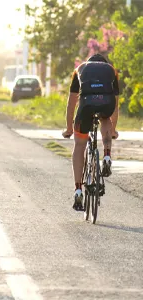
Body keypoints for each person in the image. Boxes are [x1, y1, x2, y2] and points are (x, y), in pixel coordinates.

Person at [62, 53, 120, 211]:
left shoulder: (80, 69)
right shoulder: (111, 70)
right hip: (106, 103)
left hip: (86, 105)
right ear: (104, 63)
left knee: (80, 145)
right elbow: (115, 104)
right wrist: (113, 130)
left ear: (89, 62)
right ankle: (107, 155)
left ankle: (78, 189)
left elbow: (71, 103)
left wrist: (69, 128)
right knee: (106, 118)